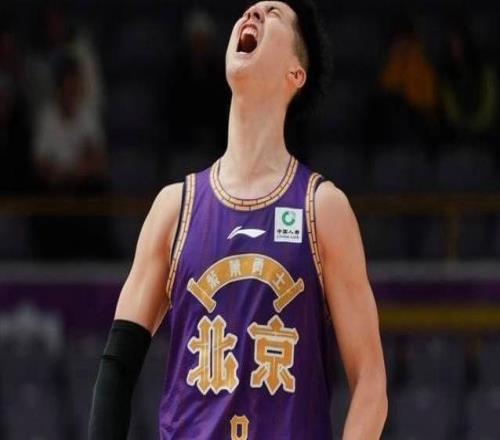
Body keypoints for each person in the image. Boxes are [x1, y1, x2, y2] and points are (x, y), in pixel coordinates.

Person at [89, 1, 388, 439]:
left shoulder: (322, 209)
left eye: (273, 13)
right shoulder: (175, 208)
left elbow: (371, 383)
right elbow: (117, 366)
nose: (252, 14)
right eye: (249, 10)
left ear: (296, 73)